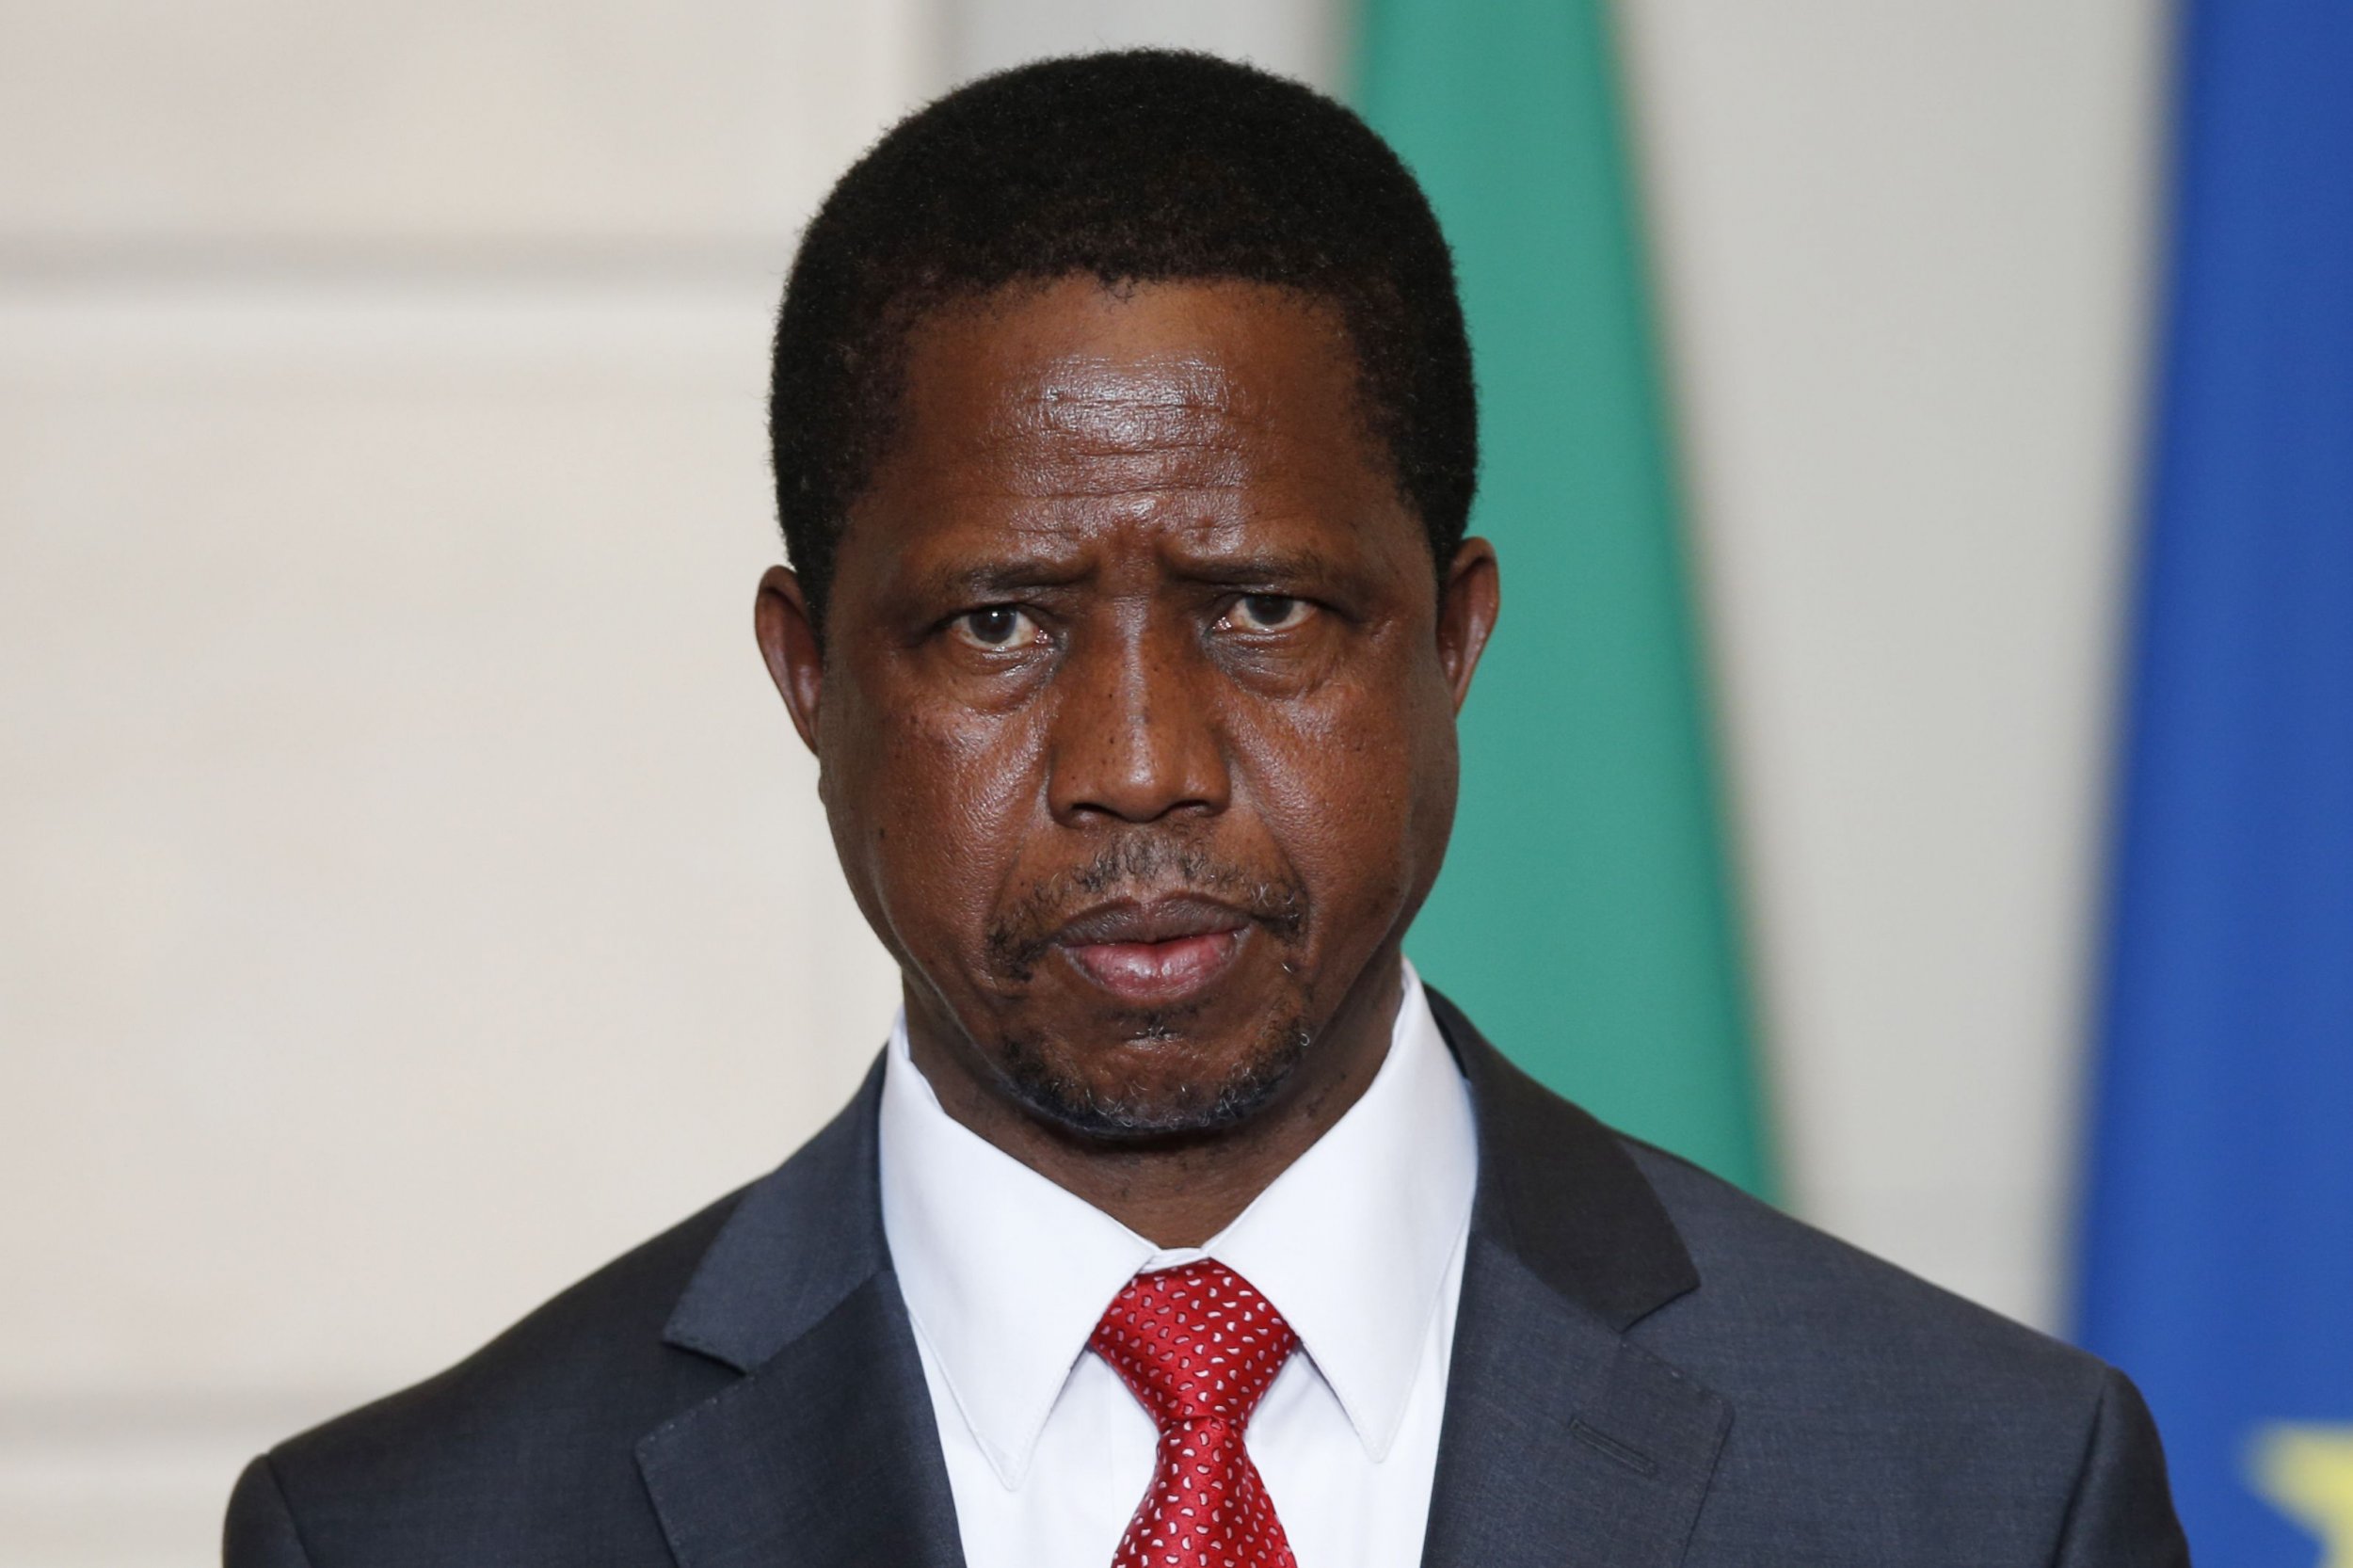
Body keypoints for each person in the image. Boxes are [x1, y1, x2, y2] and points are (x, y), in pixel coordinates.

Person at [223, 50, 2189, 1568]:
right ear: (809, 674)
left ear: (1454, 640)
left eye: (1264, 608)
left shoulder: (1975, 1491)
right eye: (997, 620)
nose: (1141, 757)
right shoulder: (424, 1529)